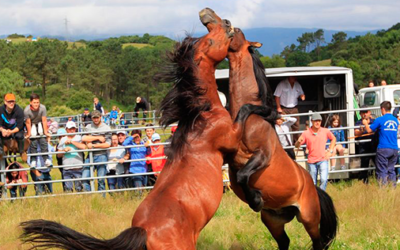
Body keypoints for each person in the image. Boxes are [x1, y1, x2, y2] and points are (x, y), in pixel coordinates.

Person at [295, 113, 336, 191]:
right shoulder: (306, 133)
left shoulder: (325, 131)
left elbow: (333, 139)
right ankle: (315, 197)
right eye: (315, 121)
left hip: (323, 159)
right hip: (311, 161)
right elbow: (297, 146)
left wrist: (330, 151)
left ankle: (321, 196)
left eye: (319, 121)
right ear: (312, 121)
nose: (318, 123)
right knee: (313, 182)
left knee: (324, 179)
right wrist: (298, 141)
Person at [363, 101, 399, 186]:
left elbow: (369, 130)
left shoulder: (380, 119)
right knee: (391, 170)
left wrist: (365, 123)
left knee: (382, 170)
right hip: (394, 148)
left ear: (383, 109)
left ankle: (383, 188)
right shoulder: (395, 120)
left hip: (383, 148)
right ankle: (392, 188)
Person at [82, 110, 111, 193]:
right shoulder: (88, 127)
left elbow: (107, 144)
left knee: (101, 179)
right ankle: (89, 196)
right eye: (94, 118)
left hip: (102, 155)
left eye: (97, 117)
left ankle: (101, 198)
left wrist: (93, 145)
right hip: (90, 155)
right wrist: (98, 138)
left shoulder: (106, 128)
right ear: (91, 118)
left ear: (100, 117)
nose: (95, 119)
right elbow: (84, 138)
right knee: (84, 178)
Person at [24, 93, 52, 178]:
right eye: (34, 102)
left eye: (37, 102)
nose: (36, 104)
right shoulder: (26, 110)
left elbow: (44, 121)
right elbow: (28, 122)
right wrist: (29, 133)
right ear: (31, 103)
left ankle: (46, 159)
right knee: (33, 141)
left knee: (43, 139)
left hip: (40, 125)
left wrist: (46, 132)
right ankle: (33, 160)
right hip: (31, 125)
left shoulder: (42, 108)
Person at [274, 76, 305, 142]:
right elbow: (277, 96)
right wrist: (278, 107)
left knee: (296, 126)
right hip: (284, 108)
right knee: (283, 126)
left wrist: (302, 96)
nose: (294, 78)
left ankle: (296, 144)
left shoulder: (297, 85)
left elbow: (302, 94)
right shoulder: (282, 84)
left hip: (294, 108)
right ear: (289, 76)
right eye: (293, 76)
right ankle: (284, 143)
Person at [58, 121, 86, 192]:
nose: (72, 130)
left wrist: (72, 142)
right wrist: (64, 150)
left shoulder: (79, 138)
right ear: (66, 129)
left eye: (73, 128)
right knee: (68, 189)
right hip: (66, 167)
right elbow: (58, 155)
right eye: (70, 129)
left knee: (79, 188)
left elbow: (83, 147)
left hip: (78, 167)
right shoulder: (63, 139)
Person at [0, 93, 27, 162]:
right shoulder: (1, 110)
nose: (11, 103)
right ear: (5, 102)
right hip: (4, 129)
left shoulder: (19, 110)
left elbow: (20, 126)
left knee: (20, 136)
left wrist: (11, 132)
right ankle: (1, 151)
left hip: (16, 130)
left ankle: (22, 152)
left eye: (13, 101)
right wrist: (3, 130)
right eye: (9, 102)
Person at [354, 106, 375, 183]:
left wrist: (366, 125)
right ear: (360, 114)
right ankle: (364, 181)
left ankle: (378, 179)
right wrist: (361, 131)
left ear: (369, 112)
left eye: (366, 112)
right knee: (364, 165)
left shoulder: (374, 121)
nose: (364, 114)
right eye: (363, 112)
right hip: (364, 146)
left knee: (377, 163)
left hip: (374, 145)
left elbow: (375, 130)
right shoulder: (358, 122)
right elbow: (356, 132)